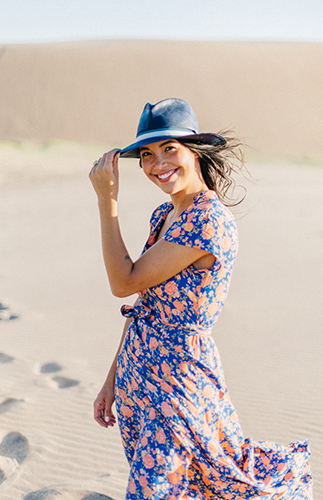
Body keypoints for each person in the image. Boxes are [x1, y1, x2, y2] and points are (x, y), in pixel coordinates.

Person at [89, 98, 312, 499]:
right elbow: (143, 303)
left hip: (179, 383)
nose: (158, 163)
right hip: (140, 377)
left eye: (169, 149)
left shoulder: (207, 220)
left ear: (196, 151)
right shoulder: (165, 215)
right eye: (147, 154)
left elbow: (123, 281)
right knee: (187, 489)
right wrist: (113, 379)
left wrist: (107, 201)